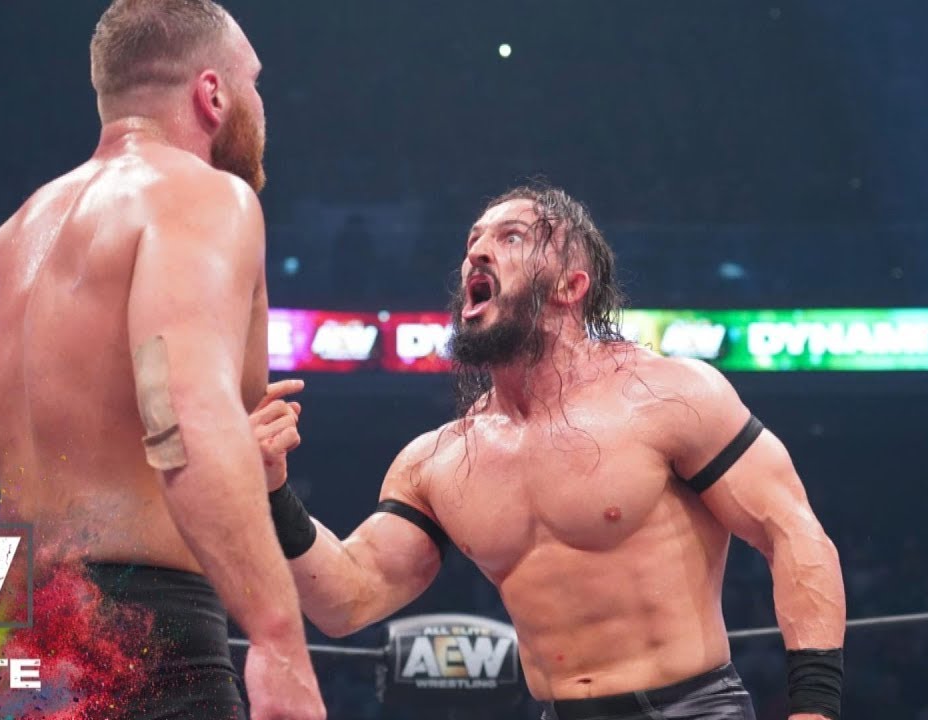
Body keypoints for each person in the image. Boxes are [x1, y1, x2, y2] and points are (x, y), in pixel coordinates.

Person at [252, 185, 847, 720]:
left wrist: (815, 709)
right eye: (473, 242)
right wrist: (274, 487)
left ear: (570, 286)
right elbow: (346, 599)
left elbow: (792, 532)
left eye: (511, 237)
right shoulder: (438, 462)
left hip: (690, 707)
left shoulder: (667, 396)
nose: (477, 254)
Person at [0, 2, 325, 718]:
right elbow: (182, 412)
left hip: (20, 658)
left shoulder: (0, 253)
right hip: (153, 650)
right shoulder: (202, 197)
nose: (262, 106)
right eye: (255, 84)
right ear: (213, 93)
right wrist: (278, 638)